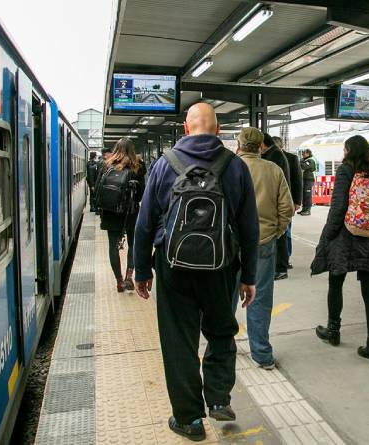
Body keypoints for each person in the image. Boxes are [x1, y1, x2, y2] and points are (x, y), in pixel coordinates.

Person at [133, 103, 259, 441]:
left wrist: (142, 270)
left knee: (178, 341)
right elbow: (249, 228)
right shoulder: (235, 167)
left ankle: (189, 421)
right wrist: (249, 276)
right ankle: (218, 397)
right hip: (221, 266)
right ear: (218, 131)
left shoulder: (163, 165)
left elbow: (144, 225)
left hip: (173, 267)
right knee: (221, 330)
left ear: (185, 130)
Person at [311, 135, 369, 364]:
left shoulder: (346, 171)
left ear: (348, 151)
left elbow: (338, 207)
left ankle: (333, 330)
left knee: (336, 282)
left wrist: (327, 236)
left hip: (346, 235)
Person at [234, 128, 294, 370]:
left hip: (230, 244)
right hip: (263, 243)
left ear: (238, 144)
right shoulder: (274, 170)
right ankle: (261, 354)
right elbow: (286, 209)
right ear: (261, 146)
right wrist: (275, 233)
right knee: (259, 299)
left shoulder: (228, 167)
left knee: (226, 298)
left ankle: (225, 346)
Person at [96, 138, 144, 292]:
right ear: (132, 149)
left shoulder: (106, 165)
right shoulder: (138, 166)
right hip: (131, 211)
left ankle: (119, 282)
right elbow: (141, 194)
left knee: (112, 246)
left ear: (116, 149)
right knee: (133, 244)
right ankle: (129, 276)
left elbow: (98, 189)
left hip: (111, 212)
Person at [261, 133, 291, 280]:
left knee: (281, 239)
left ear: (262, 144)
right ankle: (280, 267)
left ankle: (281, 268)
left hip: (276, 205)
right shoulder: (274, 155)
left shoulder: (274, 157)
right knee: (281, 239)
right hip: (277, 204)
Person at [274, 136, 302, 268]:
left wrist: (297, 201)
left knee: (287, 231)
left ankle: (287, 257)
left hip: (288, 200)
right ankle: (281, 258)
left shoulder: (292, 158)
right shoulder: (267, 157)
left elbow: (297, 181)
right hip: (275, 200)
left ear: (281, 146)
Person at [299, 148, 317, 216]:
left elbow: (304, 166)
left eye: (304, 153)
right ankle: (304, 209)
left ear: (308, 154)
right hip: (305, 179)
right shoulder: (306, 160)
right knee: (304, 195)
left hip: (309, 179)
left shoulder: (311, 160)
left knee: (307, 195)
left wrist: (300, 161)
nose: (302, 154)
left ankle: (308, 210)